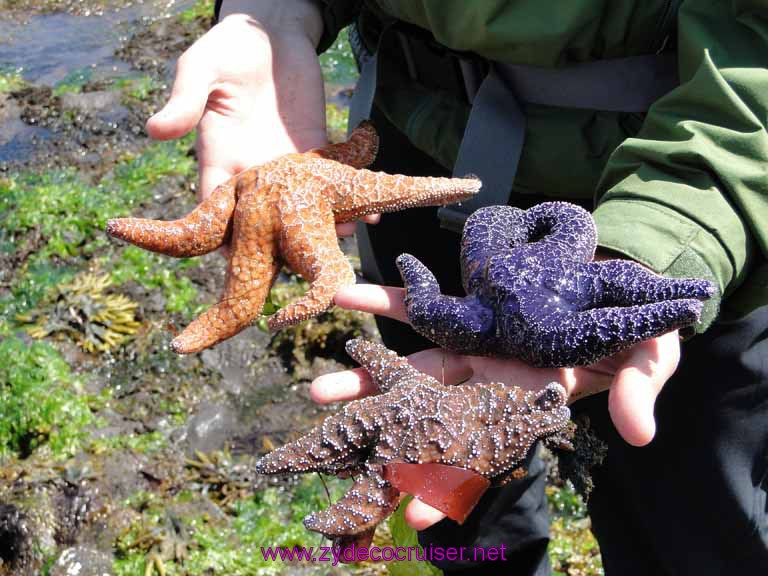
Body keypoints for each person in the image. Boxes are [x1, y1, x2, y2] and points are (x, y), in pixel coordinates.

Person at [147, 0, 768, 573]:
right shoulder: (480, 295)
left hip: (680, 186)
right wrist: (272, 15)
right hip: (415, 143)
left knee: (694, 535)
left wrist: (663, 249)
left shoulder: (529, 290)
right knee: (458, 520)